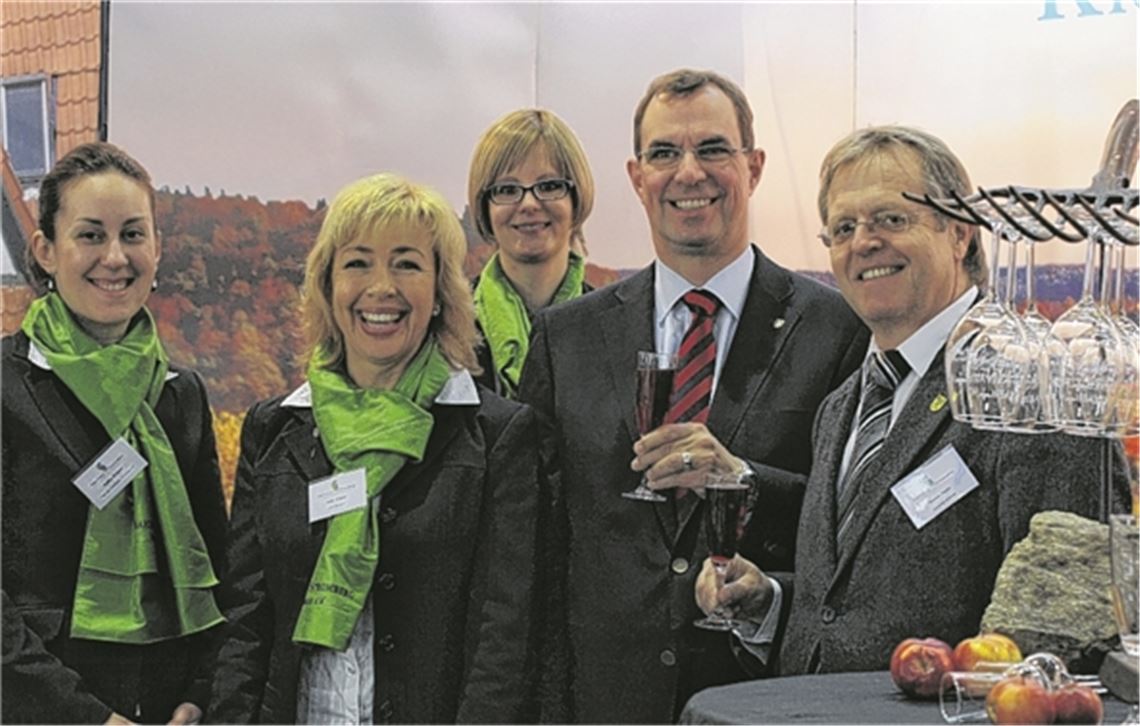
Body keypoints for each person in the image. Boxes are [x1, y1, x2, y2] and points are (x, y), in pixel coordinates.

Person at [695, 124, 1130, 676]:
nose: (864, 243)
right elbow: (843, 606)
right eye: (844, 228)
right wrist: (771, 601)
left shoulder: (1035, 394)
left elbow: (1075, 624)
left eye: (892, 219)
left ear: (962, 234)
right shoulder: (841, 407)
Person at [518, 68, 868, 723]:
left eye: (712, 149)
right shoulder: (566, 339)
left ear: (754, 166)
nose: (688, 173)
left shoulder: (836, 330)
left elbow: (851, 530)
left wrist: (740, 478)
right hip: (602, 704)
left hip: (762, 702)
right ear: (636, 175)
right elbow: (536, 547)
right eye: (664, 153)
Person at [208, 173, 541, 724]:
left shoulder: (495, 436)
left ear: (439, 292)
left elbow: (503, 643)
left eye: (407, 263)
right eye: (358, 262)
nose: (380, 287)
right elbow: (246, 621)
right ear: (327, 285)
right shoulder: (275, 430)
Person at [2, 142, 228, 724]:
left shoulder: (181, 394)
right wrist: (86, 718)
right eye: (91, 235)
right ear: (46, 250)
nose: (115, 256)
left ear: (157, 249)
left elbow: (218, 567)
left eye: (133, 234)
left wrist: (199, 694)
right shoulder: (5, 387)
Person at [467, 108, 596, 398]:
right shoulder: (448, 326)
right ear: (485, 207)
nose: (528, 204)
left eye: (549, 186)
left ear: (576, 199)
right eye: (507, 189)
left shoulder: (615, 329)